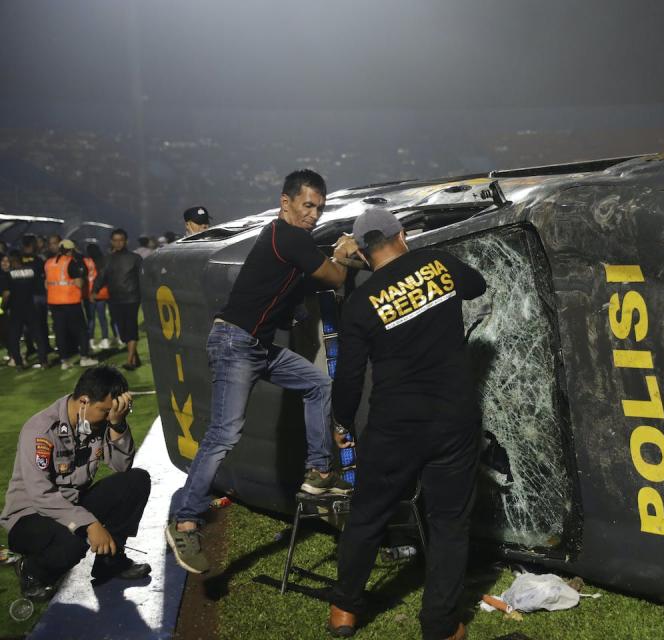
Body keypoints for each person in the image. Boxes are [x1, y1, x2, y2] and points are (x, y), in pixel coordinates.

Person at [165, 169, 358, 574]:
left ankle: (320, 472)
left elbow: (299, 289)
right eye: (307, 205)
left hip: (256, 346)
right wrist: (340, 255)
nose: (314, 215)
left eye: (319, 208)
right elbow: (336, 276)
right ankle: (184, 520)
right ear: (285, 202)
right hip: (236, 343)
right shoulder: (288, 237)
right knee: (224, 433)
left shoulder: (286, 241)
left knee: (318, 385)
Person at [327, 208, 486, 640]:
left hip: (394, 427)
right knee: (449, 523)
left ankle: (344, 609)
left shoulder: (361, 303)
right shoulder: (436, 264)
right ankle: (440, 625)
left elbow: (349, 376)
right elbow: (478, 285)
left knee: (368, 515)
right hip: (453, 420)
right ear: (403, 234)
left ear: (360, 250)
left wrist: (343, 421)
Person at [0, 365, 151, 601]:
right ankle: (31, 571)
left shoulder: (98, 421)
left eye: (115, 411)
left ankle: (110, 562)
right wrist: (89, 523)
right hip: (29, 517)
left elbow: (122, 467)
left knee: (136, 481)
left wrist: (118, 424)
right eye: (105, 411)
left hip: (72, 505)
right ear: (83, 401)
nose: (109, 416)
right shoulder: (40, 429)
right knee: (75, 539)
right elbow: (41, 496)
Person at [92, 229, 142, 370]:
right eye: (115, 240)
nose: (118, 243)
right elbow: (101, 277)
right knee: (123, 331)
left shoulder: (135, 258)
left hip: (132, 298)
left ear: (126, 241)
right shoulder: (107, 259)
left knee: (131, 328)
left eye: (121, 240)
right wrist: (94, 291)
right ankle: (134, 357)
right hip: (115, 299)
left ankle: (130, 360)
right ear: (111, 241)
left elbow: (142, 277)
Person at [45, 239, 97, 369]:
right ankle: (84, 357)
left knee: (60, 332)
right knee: (81, 330)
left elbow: (46, 284)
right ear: (71, 250)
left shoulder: (49, 263)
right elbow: (79, 283)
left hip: (54, 302)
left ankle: (64, 360)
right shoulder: (70, 262)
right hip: (70, 301)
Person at [4, 251, 51, 369]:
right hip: (30, 307)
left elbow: (6, 294)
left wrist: (3, 307)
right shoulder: (31, 271)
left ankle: (19, 363)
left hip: (16, 309)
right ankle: (44, 361)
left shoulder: (9, 274)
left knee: (14, 337)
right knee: (38, 335)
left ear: (13, 261)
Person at [83, 243, 112, 351]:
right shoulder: (103, 261)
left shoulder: (86, 262)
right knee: (102, 318)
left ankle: (90, 341)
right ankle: (105, 340)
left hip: (89, 293)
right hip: (102, 293)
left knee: (91, 319)